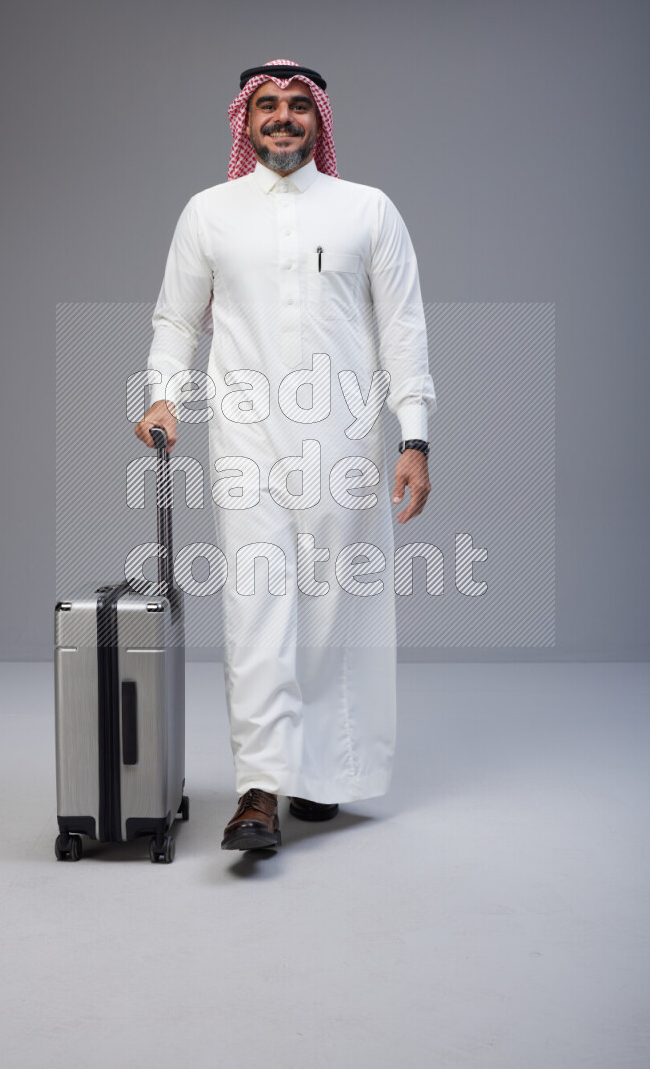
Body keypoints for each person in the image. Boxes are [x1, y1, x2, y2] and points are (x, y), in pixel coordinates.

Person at [135, 59, 435, 852]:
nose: (282, 117)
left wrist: (414, 438)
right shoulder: (209, 211)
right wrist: (164, 393)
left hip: (346, 440)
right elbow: (176, 319)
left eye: (298, 105)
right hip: (246, 440)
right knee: (256, 605)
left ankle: (320, 775)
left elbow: (403, 331)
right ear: (245, 119)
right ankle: (260, 790)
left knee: (335, 607)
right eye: (267, 105)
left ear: (318, 119)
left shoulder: (367, 210)